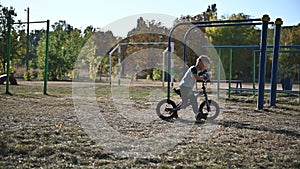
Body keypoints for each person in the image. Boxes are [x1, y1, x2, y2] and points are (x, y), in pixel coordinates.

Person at [178, 55, 211, 121]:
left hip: (187, 88)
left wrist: (207, 77)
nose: (205, 68)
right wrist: (203, 78)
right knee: (192, 100)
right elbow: (195, 77)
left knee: (193, 100)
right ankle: (197, 114)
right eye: (205, 66)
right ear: (200, 63)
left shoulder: (197, 70)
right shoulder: (193, 69)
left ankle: (198, 113)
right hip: (184, 87)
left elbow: (203, 74)